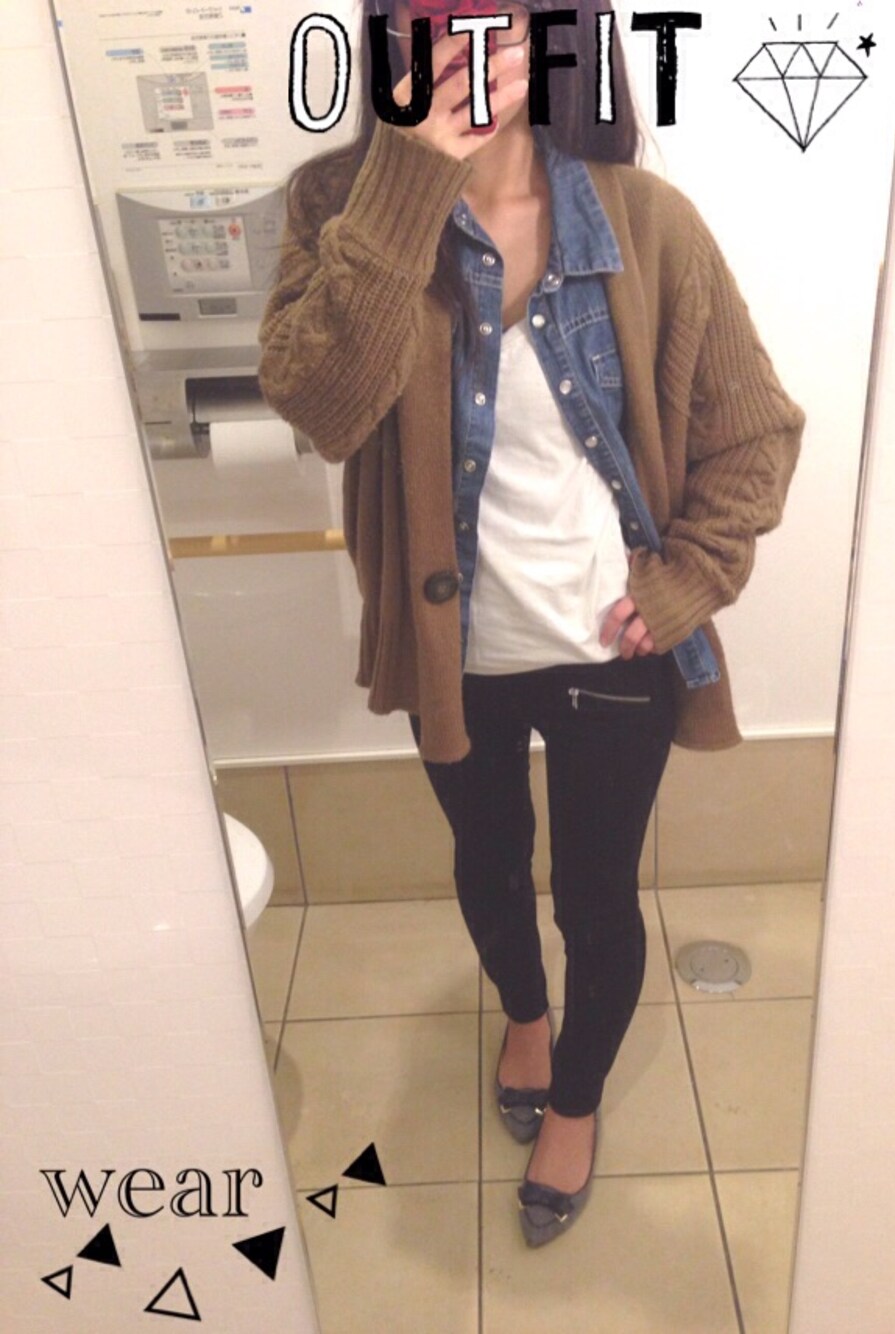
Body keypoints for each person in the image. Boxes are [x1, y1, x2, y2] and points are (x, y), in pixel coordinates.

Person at [258, 0, 805, 1248]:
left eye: (495, 19)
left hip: (615, 646)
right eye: (424, 20)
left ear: (558, 36)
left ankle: (575, 1097)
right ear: (387, 41)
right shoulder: (333, 206)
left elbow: (754, 430)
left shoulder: (645, 220)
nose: (460, 46)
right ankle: (522, 1014)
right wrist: (407, 184)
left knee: (597, 896)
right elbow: (321, 406)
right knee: (491, 860)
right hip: (455, 654)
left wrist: (686, 580)